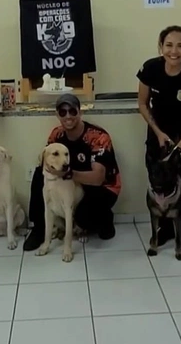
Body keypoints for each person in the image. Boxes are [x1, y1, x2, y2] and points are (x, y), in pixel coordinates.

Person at [136, 25, 181, 252]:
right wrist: (158, 134)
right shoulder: (150, 68)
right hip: (159, 132)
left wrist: (178, 150)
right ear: (161, 46)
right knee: (160, 181)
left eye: (180, 45)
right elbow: (142, 104)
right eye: (169, 45)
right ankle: (166, 228)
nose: (174, 51)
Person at [23, 94, 120, 250]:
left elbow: (98, 178)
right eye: (63, 112)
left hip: (103, 188)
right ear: (58, 115)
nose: (68, 116)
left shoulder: (98, 136)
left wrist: (68, 174)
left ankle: (105, 218)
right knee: (38, 174)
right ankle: (38, 229)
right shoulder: (56, 135)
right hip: (74, 185)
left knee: (84, 218)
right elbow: (48, 163)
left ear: (80, 112)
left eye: (72, 111)